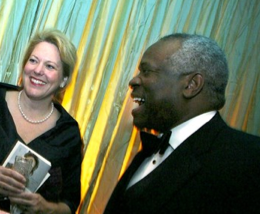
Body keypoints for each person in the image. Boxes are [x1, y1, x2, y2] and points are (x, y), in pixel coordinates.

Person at [104, 33, 260, 213]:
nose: (133, 80)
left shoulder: (250, 160)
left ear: (191, 85)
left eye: (146, 71)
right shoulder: (149, 151)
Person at [0, 29, 82, 214]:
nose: (38, 70)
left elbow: (70, 203)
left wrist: (45, 208)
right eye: (33, 60)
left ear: (64, 80)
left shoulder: (68, 133)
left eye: (50, 66)